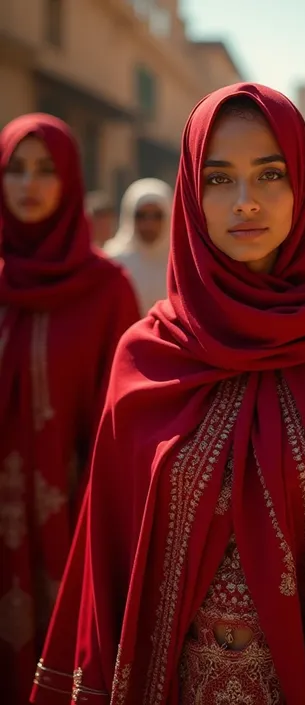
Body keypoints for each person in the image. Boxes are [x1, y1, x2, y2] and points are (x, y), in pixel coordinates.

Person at [31, 85, 305, 705]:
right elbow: (107, 565)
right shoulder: (146, 356)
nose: (245, 202)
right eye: (218, 179)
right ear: (191, 192)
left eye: (271, 173)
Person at [0, 114, 140, 705]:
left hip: (76, 526)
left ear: (72, 182)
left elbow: (130, 424)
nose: (29, 184)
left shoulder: (106, 290)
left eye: (47, 170)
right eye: (16, 169)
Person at [105, 178, 173, 315]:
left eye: (156, 216)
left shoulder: (183, 264)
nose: (149, 224)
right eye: (141, 216)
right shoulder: (112, 262)